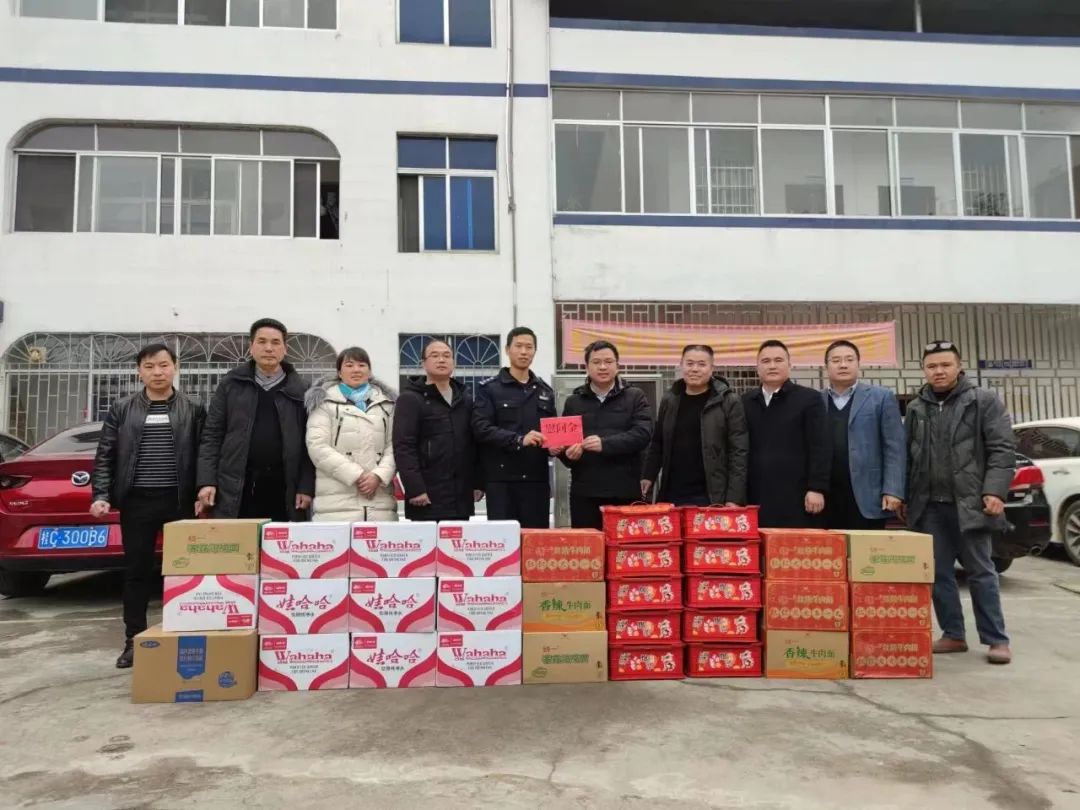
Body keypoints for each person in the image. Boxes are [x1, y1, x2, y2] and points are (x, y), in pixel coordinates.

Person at [90, 344, 205, 669]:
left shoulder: (193, 408)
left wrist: (203, 491)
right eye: (150, 366)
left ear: (175, 368)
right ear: (139, 371)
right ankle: (134, 641)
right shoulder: (122, 409)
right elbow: (105, 454)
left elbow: (204, 453)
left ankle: (185, 635)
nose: (158, 372)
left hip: (179, 501)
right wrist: (101, 494)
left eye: (164, 365)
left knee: (184, 572)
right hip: (137, 502)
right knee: (137, 573)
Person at [901, 340, 1016, 665]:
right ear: (924, 369)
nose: (938, 371)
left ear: (959, 366)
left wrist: (995, 491)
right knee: (938, 574)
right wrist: (905, 496)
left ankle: (996, 639)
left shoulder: (983, 401)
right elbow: (908, 456)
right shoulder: (916, 408)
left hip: (970, 503)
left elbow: (1002, 449)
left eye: (945, 365)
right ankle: (953, 634)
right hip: (929, 506)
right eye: (932, 366)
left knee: (981, 572)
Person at [196, 318, 314, 522]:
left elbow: (309, 444)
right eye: (262, 341)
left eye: (275, 342)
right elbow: (212, 436)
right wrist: (206, 481)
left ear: (285, 349)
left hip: (285, 487)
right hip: (236, 486)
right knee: (239, 542)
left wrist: (306, 486)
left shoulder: (301, 390)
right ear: (251, 347)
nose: (268, 348)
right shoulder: (231, 384)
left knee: (279, 541)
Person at [557, 340, 653, 529]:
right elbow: (565, 446)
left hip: (625, 491)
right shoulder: (574, 402)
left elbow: (643, 433)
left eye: (608, 362)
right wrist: (567, 454)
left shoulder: (635, 396)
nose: (602, 367)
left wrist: (605, 444)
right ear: (587, 367)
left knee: (624, 544)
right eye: (596, 362)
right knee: (588, 545)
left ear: (618, 366)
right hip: (585, 493)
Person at [641, 344, 748, 507]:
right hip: (672, 492)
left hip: (711, 495)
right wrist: (648, 475)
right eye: (689, 363)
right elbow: (658, 442)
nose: (695, 369)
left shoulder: (728, 401)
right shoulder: (670, 399)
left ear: (712, 368)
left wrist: (734, 498)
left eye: (702, 364)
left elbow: (738, 452)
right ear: (681, 365)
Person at [472, 327, 556, 528]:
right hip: (502, 482)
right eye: (518, 346)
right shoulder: (489, 389)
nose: (524, 352)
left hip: (536, 481)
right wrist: (518, 439)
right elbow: (481, 428)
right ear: (507, 350)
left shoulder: (545, 391)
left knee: (536, 541)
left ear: (535, 351)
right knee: (503, 540)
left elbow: (552, 431)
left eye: (529, 347)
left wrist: (556, 446)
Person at [393, 339, 483, 521]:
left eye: (446, 356)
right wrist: (415, 489)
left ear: (453, 362)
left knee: (457, 539)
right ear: (423, 363)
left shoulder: (465, 399)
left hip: (460, 496)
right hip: (426, 496)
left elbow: (474, 445)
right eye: (434, 356)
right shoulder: (410, 399)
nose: (441, 360)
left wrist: (477, 483)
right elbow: (404, 447)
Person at [742, 340, 829, 528]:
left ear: (790, 365)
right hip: (755, 494)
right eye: (766, 361)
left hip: (797, 494)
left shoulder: (809, 399)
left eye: (778, 360)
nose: (772, 366)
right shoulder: (746, 402)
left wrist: (817, 487)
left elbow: (820, 446)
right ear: (757, 368)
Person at [305, 347, 397, 522]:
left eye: (362, 365)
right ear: (339, 372)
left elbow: (395, 445)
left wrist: (378, 476)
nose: (356, 370)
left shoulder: (387, 405)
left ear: (369, 371)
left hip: (380, 503)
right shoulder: (324, 403)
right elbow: (317, 446)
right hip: (335, 505)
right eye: (349, 365)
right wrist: (357, 475)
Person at [821, 339, 906, 530]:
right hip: (826, 496)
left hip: (869, 494)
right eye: (836, 360)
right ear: (826, 366)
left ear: (858, 363)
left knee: (867, 548)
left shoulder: (881, 397)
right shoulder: (816, 401)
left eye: (849, 359)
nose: (843, 365)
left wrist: (893, 490)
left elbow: (895, 447)